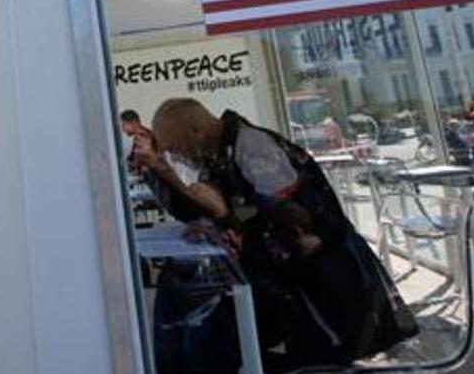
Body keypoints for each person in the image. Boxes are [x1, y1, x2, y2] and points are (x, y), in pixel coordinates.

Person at [141, 98, 417, 372]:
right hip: (297, 280)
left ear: (197, 133)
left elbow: (294, 233)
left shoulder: (254, 149)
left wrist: (224, 216)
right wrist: (216, 221)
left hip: (323, 289)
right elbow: (248, 213)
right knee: (186, 306)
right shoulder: (224, 151)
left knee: (204, 326)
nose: (183, 158)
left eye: (179, 150)